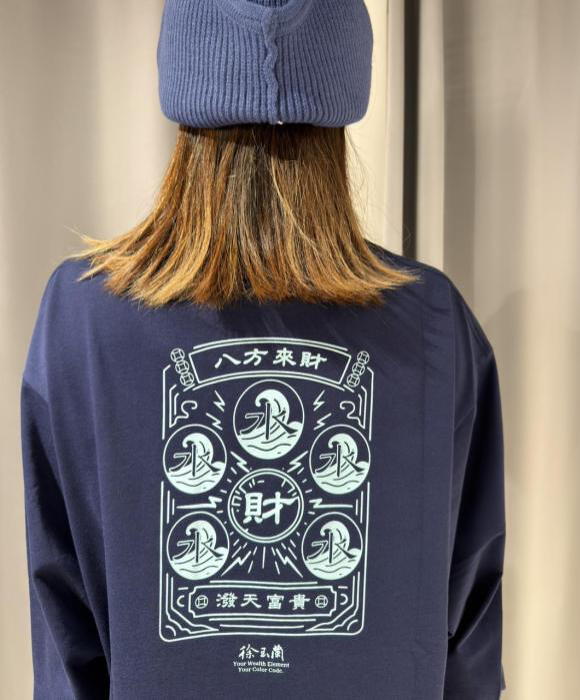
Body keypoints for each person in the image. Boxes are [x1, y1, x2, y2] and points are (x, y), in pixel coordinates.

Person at [20, 1, 506, 698]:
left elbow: (63, 620)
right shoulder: (434, 320)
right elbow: (470, 628)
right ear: (345, 96)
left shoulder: (81, 316)